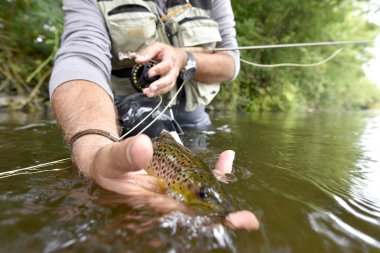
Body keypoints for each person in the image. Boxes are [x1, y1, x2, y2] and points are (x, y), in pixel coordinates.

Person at [49, 0, 259, 231]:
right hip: (125, 122)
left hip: (194, 120)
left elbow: (230, 63)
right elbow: (80, 57)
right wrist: (92, 148)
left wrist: (185, 59)